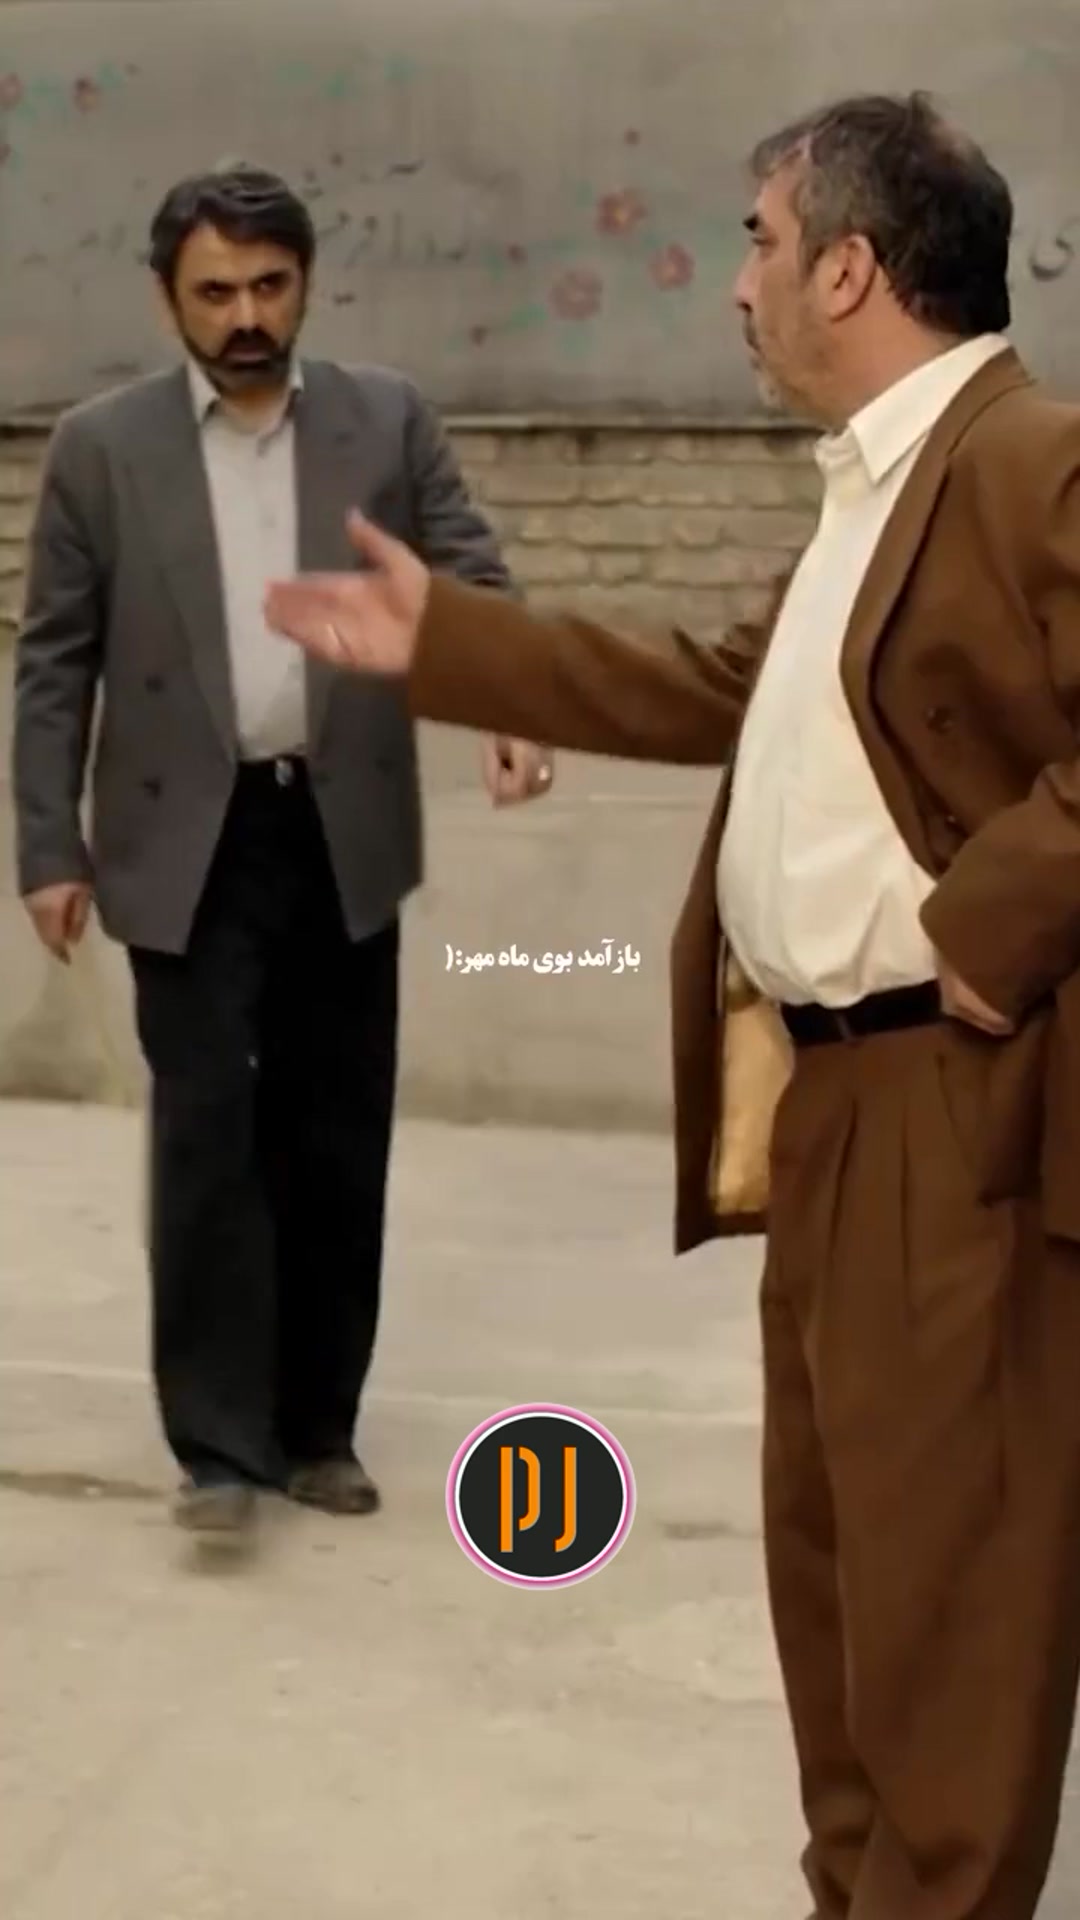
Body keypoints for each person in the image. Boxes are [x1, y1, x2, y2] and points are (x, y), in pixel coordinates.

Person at [263, 93, 1080, 1920]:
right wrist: (448, 644)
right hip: (835, 1115)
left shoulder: (1030, 459)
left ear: (850, 269)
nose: (737, 284)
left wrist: (998, 923)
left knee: (952, 1633)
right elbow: (719, 687)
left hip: (962, 1112)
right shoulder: (878, 487)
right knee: (844, 1607)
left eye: (761, 242)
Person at [11, 163, 552, 1544]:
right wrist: (47, 846)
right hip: (178, 833)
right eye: (215, 292)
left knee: (334, 1132)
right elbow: (55, 660)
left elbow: (470, 576)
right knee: (206, 1136)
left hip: (339, 823)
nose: (245, 317)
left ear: (305, 283)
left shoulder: (384, 420)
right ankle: (219, 1450)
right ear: (167, 298)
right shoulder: (101, 448)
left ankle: (319, 1430)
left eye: (269, 286)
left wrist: (513, 702)